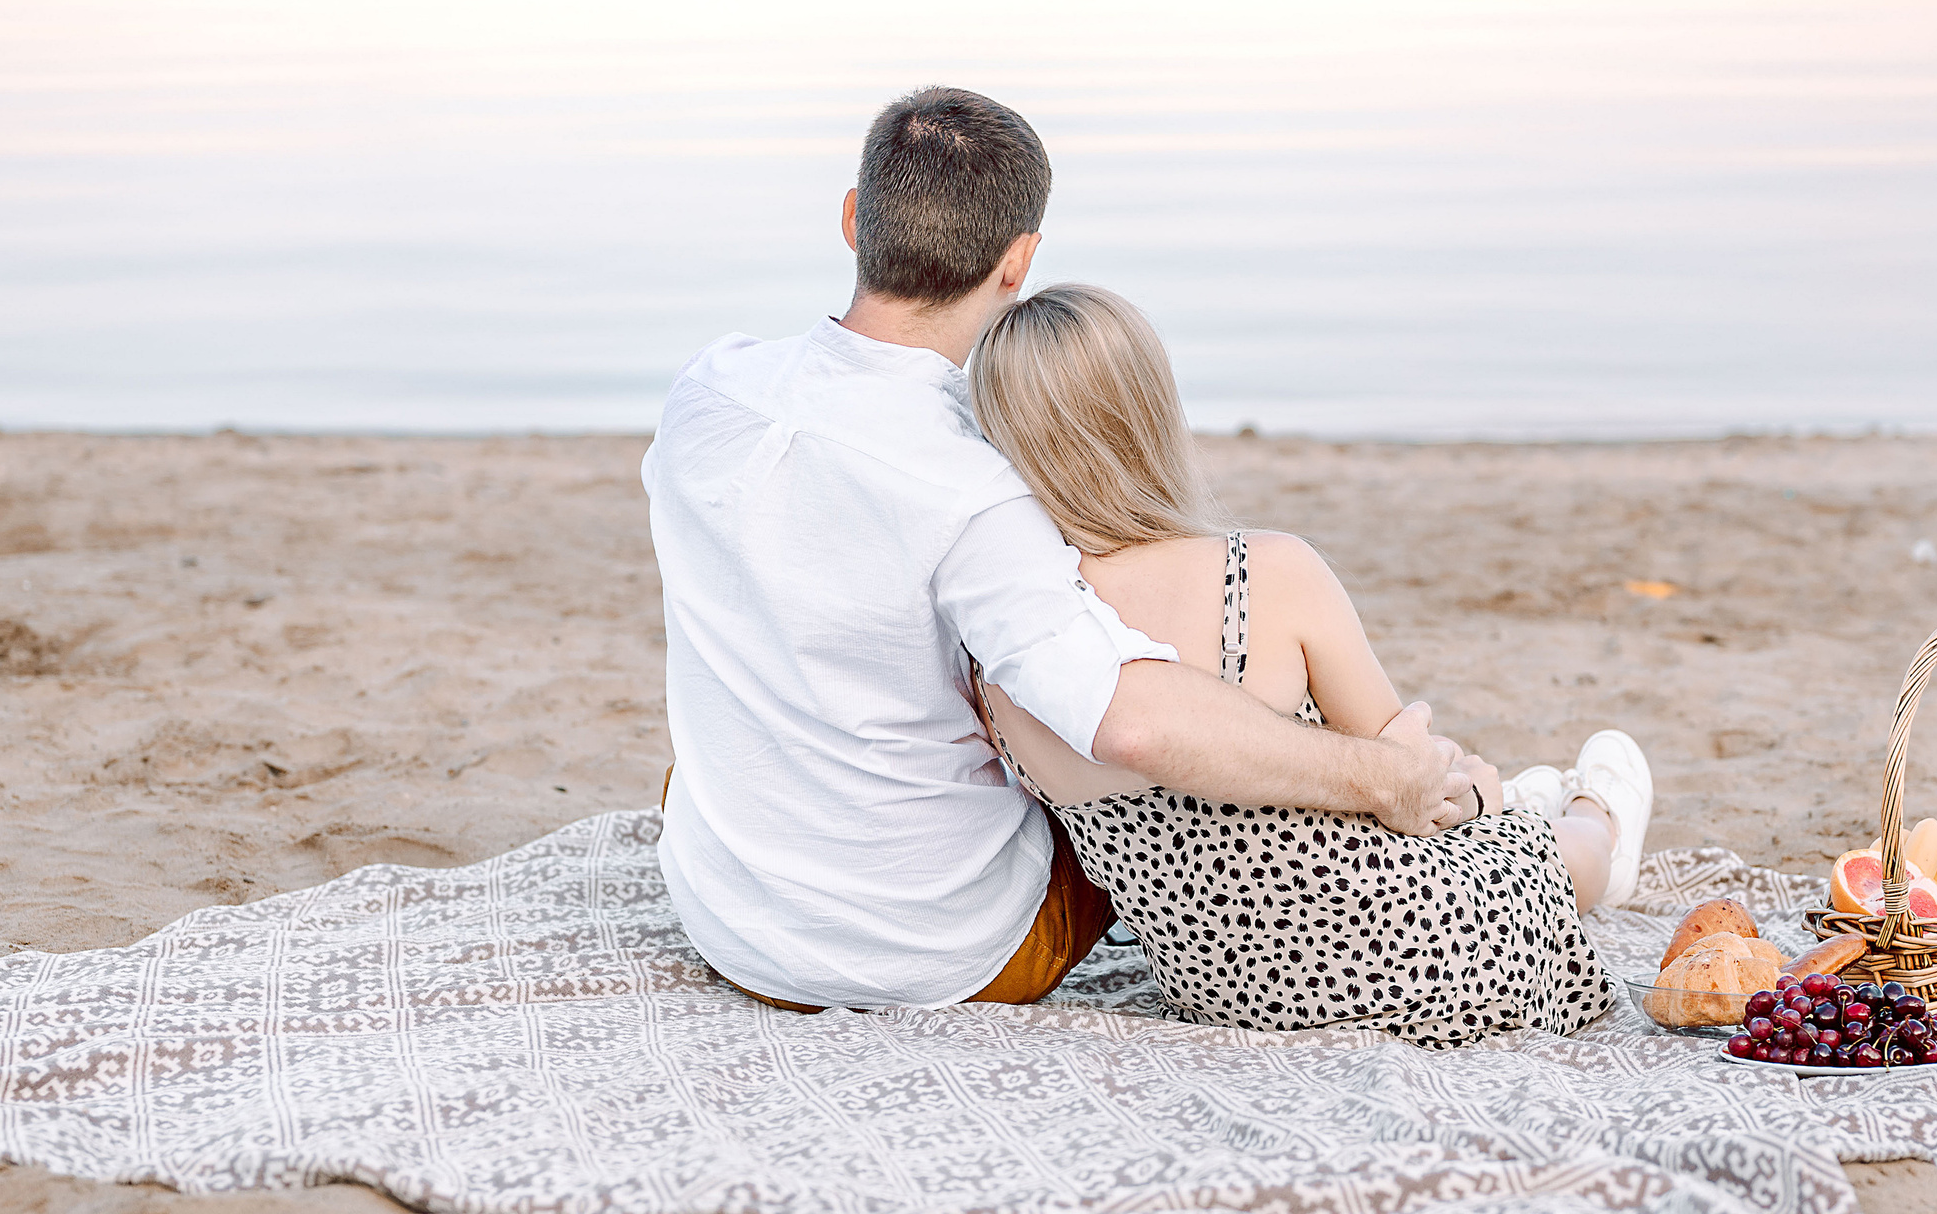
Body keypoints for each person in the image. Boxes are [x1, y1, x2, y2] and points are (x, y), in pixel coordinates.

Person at [643, 87, 1477, 1013]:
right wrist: (1383, 776)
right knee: (1117, 728)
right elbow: (1134, 727)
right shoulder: (977, 486)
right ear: (1020, 262)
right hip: (944, 955)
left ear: (853, 219)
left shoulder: (708, 388)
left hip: (733, 926)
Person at [967, 283, 1655, 1046]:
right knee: (1532, 849)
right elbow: (1417, 780)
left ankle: (1542, 807)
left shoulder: (1001, 667)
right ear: (1150, 415)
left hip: (1238, 1001)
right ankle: (1597, 815)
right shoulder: (1263, 572)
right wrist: (1480, 798)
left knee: (1491, 818)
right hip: (1447, 963)